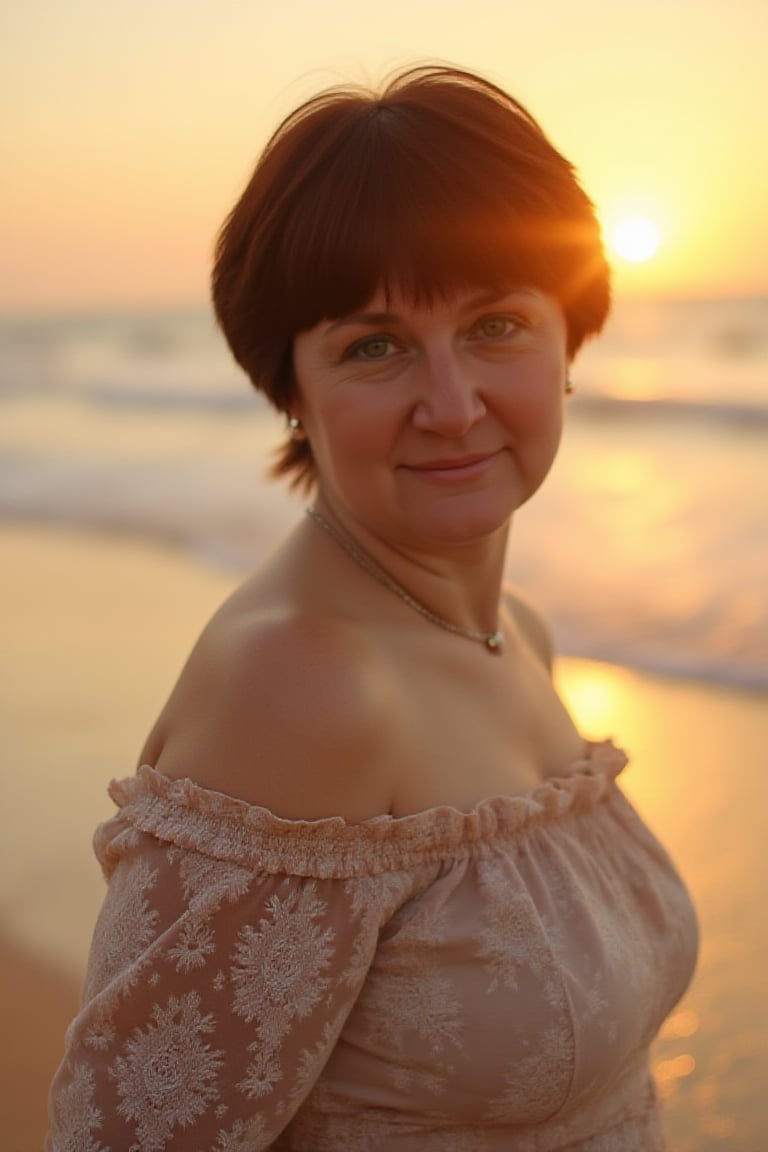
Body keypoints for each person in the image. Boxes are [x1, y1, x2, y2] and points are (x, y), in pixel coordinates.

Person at [47, 65, 698, 1150]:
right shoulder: (301, 684)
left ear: (570, 343)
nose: (451, 405)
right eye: (375, 347)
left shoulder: (517, 633)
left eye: (496, 325)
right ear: (291, 389)